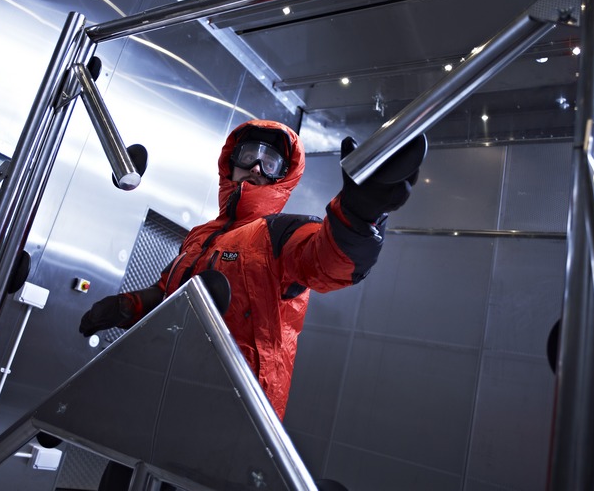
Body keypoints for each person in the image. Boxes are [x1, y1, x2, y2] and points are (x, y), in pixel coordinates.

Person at [80, 118, 423, 421]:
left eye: (270, 161)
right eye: (249, 155)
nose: (257, 167)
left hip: (230, 412)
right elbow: (170, 293)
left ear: (283, 176)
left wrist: (359, 215)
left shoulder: (282, 233)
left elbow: (329, 262)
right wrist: (128, 306)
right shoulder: (200, 235)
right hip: (158, 389)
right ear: (230, 162)